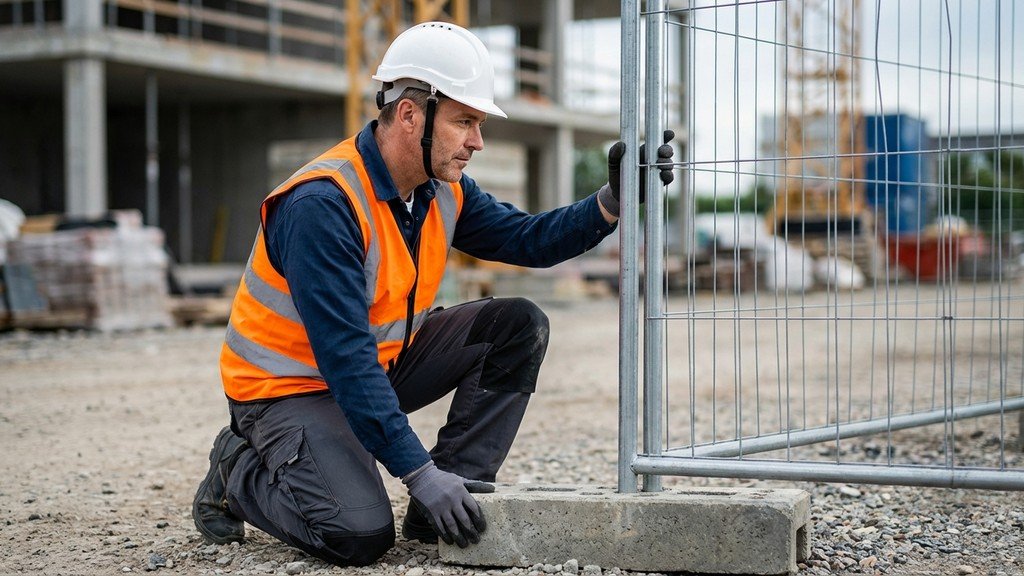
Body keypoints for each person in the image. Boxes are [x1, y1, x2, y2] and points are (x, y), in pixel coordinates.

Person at [192, 21, 674, 567]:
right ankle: (238, 467)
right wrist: (417, 470)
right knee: (356, 536)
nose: (477, 140)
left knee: (517, 324)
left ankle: (445, 506)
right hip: (288, 389)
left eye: (479, 123)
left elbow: (529, 240)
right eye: (465, 121)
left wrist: (612, 199)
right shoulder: (321, 205)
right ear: (409, 114)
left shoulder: (439, 190)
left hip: (377, 365)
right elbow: (345, 360)